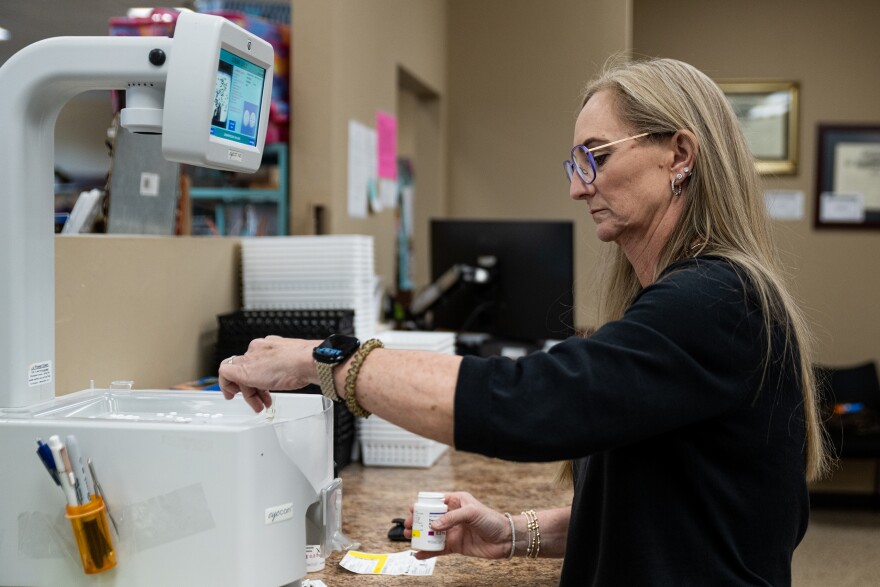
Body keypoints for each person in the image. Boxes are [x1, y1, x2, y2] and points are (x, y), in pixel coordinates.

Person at [218, 56, 829, 585]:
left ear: (679, 155)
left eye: (595, 157)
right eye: (575, 163)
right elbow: (666, 511)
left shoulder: (716, 300)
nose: (577, 187)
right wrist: (513, 534)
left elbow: (526, 404)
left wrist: (322, 359)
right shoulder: (700, 297)